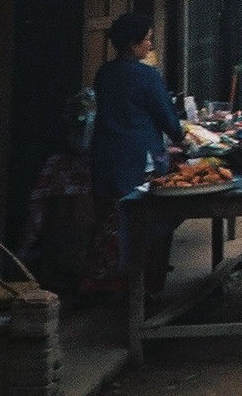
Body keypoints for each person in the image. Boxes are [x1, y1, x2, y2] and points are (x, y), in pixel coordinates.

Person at [89, 14, 185, 286]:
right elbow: (166, 116)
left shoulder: (104, 73)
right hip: (140, 158)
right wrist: (180, 136)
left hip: (106, 156)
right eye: (147, 40)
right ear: (133, 44)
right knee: (151, 218)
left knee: (110, 220)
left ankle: (106, 279)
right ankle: (146, 281)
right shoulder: (146, 75)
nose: (150, 45)